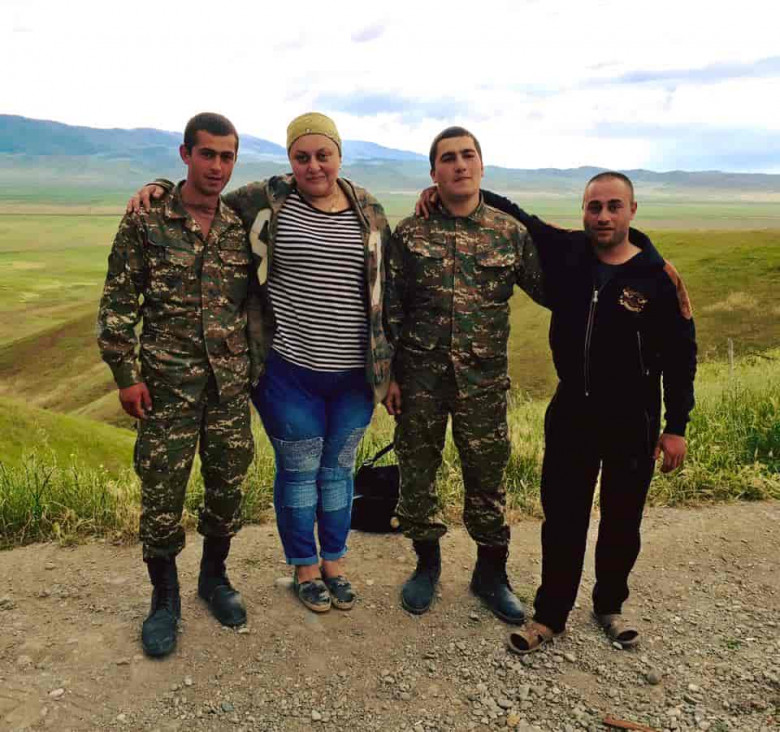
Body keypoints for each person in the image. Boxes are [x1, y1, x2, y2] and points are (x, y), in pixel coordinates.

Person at [130, 112, 393, 614]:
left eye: (323, 155)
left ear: (339, 155)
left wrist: (389, 366)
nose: (313, 166)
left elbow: (387, 288)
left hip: (355, 375)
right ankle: (305, 568)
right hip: (288, 370)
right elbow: (201, 199)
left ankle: (334, 562)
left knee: (339, 471)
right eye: (302, 156)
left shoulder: (369, 209)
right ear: (289, 159)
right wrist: (158, 186)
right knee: (299, 471)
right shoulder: (265, 200)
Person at [472, 173, 697, 652]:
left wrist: (676, 426)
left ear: (632, 210)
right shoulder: (571, 251)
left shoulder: (658, 277)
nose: (603, 216)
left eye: (614, 206)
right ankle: (550, 616)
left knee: (622, 520)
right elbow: (521, 218)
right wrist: (466, 192)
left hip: (634, 416)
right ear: (584, 211)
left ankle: (610, 606)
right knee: (563, 520)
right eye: (594, 207)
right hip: (573, 409)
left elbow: (681, 357)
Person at [98, 112, 254, 658]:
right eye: (207, 154)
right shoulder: (146, 220)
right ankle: (164, 598)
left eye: (227, 156)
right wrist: (126, 377)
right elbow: (119, 303)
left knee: (227, 485)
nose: (217, 167)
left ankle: (214, 577)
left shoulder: (239, 225)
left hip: (228, 388)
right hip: (167, 388)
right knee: (162, 493)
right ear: (185, 154)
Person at [382, 126, 545, 624]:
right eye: (448, 158)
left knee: (487, 478)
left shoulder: (509, 233)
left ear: (481, 165)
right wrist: (389, 376)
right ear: (434, 173)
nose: (459, 165)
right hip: (420, 380)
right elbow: (391, 309)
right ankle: (426, 566)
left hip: (483, 384)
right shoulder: (410, 234)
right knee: (417, 473)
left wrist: (635, 262)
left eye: (467, 155)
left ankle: (490, 573)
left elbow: (552, 289)